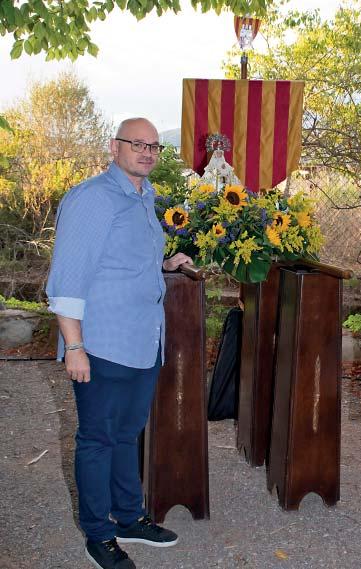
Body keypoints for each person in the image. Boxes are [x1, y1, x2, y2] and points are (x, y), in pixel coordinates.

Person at [46, 118, 193, 569]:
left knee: (127, 435)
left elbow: (120, 259)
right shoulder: (92, 198)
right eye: (137, 144)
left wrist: (164, 263)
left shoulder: (143, 196)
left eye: (154, 146)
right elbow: (68, 275)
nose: (147, 152)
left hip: (142, 341)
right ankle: (98, 535)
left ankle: (128, 517)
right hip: (102, 344)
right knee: (97, 440)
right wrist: (74, 347)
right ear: (115, 147)